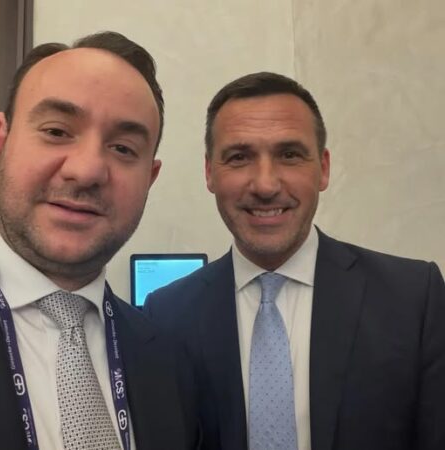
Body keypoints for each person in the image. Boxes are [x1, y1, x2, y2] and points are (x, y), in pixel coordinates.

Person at [0, 32, 199, 450]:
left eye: (124, 149)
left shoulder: (170, 364)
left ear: (150, 178)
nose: (87, 170)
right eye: (56, 131)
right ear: (0, 144)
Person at [144, 72, 445, 450]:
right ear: (209, 173)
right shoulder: (166, 317)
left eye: (289, 155)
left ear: (324, 168)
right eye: (239, 157)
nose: (266, 185)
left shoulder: (413, 299)